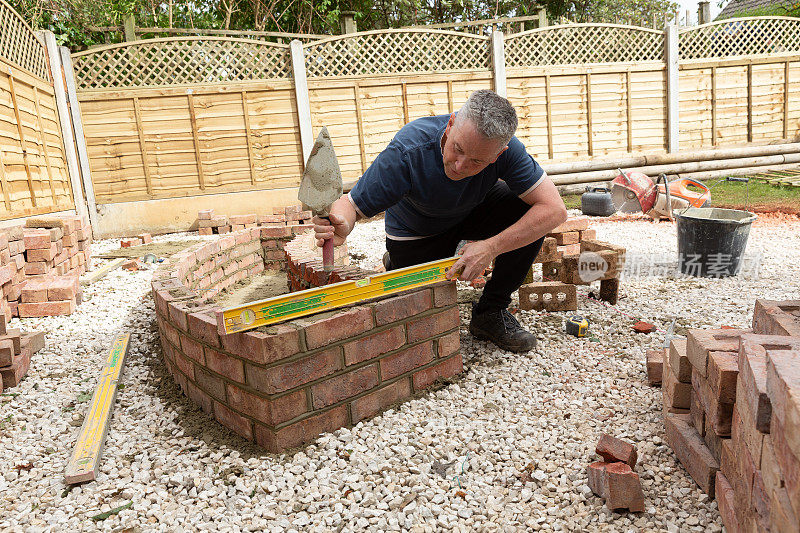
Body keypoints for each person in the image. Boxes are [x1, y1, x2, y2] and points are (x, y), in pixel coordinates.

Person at [312, 89, 567, 352]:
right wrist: (341, 222)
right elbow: (351, 205)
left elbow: (555, 210)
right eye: (457, 149)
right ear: (451, 124)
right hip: (416, 233)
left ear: (498, 154)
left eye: (477, 162)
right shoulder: (408, 150)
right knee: (422, 314)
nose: (459, 166)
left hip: (471, 213)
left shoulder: (509, 151)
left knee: (528, 212)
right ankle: (397, 262)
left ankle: (491, 312)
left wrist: (491, 247)